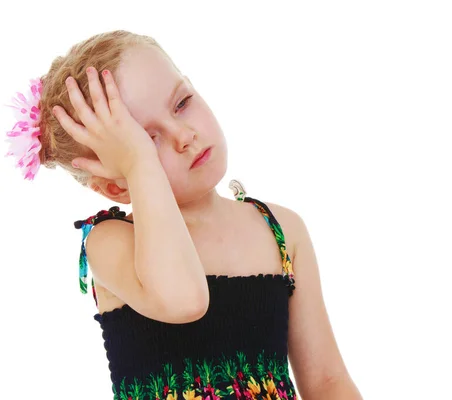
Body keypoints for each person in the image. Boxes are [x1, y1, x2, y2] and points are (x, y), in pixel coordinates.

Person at [4, 30, 362, 399]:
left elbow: (327, 381)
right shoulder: (111, 240)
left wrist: (138, 155)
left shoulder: (281, 230)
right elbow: (184, 300)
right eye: (146, 139)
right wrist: (141, 163)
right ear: (115, 185)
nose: (183, 135)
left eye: (182, 103)